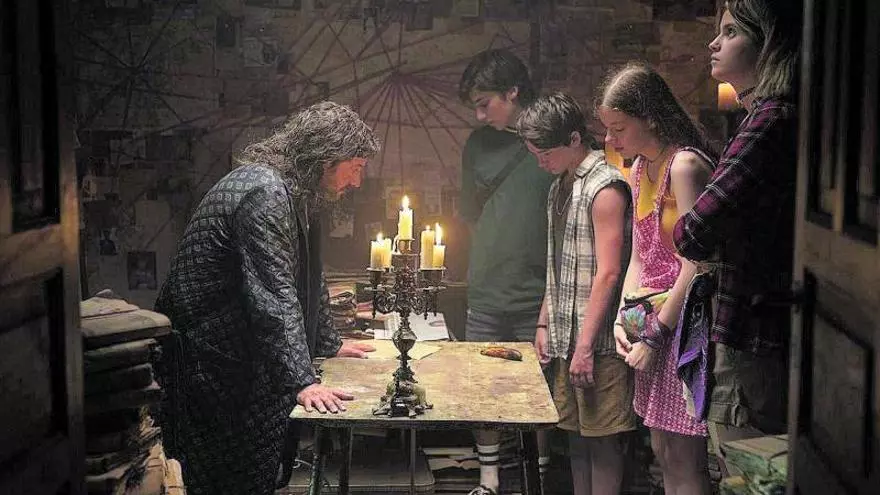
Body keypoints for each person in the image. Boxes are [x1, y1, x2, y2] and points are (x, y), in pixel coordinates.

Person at [154, 101, 380, 495]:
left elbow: (309, 275)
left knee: (252, 477)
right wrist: (302, 380)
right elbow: (274, 294)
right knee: (222, 481)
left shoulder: (294, 191)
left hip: (233, 359)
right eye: (356, 167)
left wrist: (328, 342)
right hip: (209, 365)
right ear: (326, 159)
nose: (358, 181)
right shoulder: (266, 193)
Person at [672, 0, 802, 478]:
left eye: (730, 32)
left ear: (767, 42)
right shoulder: (762, 116)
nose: (713, 42)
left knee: (745, 474)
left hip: (751, 333)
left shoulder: (770, 120)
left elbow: (693, 232)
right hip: (752, 327)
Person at [598, 62, 716, 494]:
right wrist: (623, 318)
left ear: (649, 117)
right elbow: (639, 257)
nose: (610, 140)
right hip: (650, 320)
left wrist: (654, 336)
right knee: (662, 450)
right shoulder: (636, 170)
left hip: (683, 325)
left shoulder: (683, 166)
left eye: (618, 129)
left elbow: (696, 264)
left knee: (684, 455)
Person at [518, 92, 636, 495]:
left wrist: (585, 347)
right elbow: (558, 264)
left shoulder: (605, 187)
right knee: (575, 438)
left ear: (573, 139)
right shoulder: (559, 187)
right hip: (566, 337)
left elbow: (609, 272)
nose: (541, 163)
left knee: (602, 441)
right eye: (535, 155)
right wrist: (543, 322)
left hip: (598, 342)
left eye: (545, 153)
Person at [457, 49, 554, 495]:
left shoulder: (552, 139)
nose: (479, 116)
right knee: (483, 385)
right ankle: (488, 480)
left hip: (538, 294)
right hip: (486, 290)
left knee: (541, 391)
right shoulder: (477, 145)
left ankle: (541, 478)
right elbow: (469, 215)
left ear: (513, 92)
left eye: (485, 104)